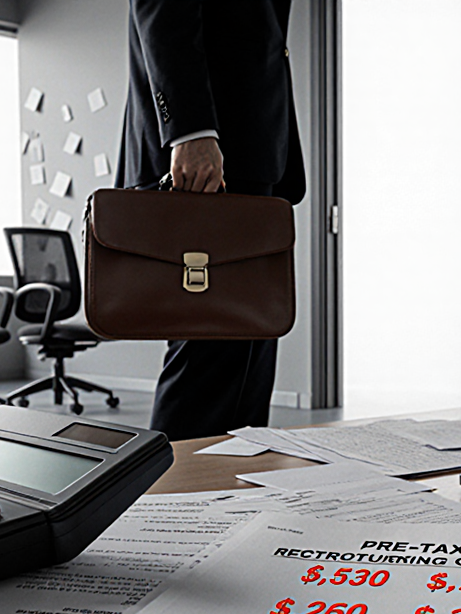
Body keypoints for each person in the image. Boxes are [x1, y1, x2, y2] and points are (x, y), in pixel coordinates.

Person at [117, 0, 306, 441]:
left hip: (253, 159)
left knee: (249, 350)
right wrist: (190, 129)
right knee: (209, 352)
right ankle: (170, 499)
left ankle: (228, 495)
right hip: (209, 154)